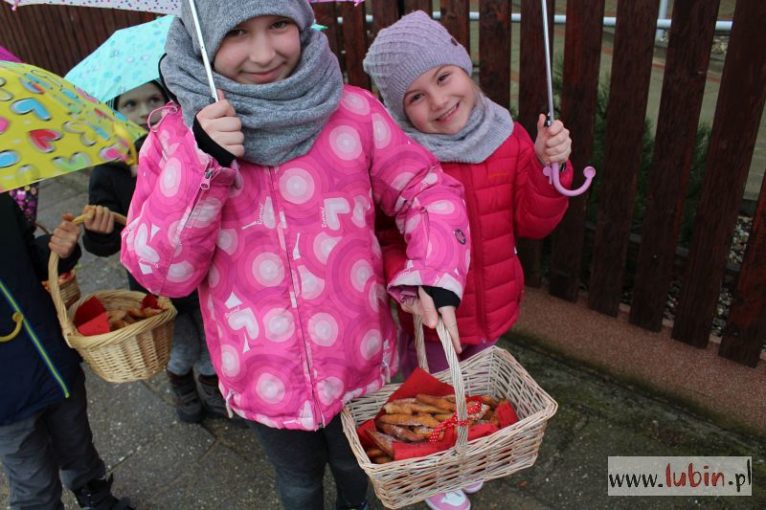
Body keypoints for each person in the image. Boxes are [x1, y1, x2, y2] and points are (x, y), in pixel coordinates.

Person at [119, 2, 471, 509]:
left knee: (358, 468)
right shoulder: (175, 141)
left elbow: (424, 190)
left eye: (279, 24)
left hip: (359, 355)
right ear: (200, 39)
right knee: (299, 483)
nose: (265, 53)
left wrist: (436, 273)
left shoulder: (352, 112)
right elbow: (161, 274)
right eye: (237, 32)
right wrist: (202, 164)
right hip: (265, 376)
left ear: (302, 24)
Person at [363, 11, 573, 510]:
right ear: (399, 109)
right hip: (434, 311)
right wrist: (411, 285)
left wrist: (548, 169)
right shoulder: (400, 158)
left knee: (473, 386)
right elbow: (386, 237)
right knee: (431, 393)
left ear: (464, 66)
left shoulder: (510, 136)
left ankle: (463, 452)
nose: (438, 101)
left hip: (495, 301)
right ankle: (435, 472)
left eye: (443, 77)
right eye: (415, 96)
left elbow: (532, 222)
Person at [82, 80, 226, 424]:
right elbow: (104, 243)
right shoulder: (108, 173)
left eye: (153, 99)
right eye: (129, 105)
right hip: (153, 286)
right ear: (113, 113)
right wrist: (98, 231)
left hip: (199, 272)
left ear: (168, 103)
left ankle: (210, 388)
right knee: (181, 346)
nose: (144, 110)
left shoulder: (187, 152)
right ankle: (182, 386)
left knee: (210, 341)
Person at [0, 193, 133, 510]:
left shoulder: (3, 202)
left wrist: (59, 249)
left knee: (77, 444)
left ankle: (93, 492)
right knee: (34, 487)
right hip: (7, 398)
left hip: (52, 358)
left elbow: (31, 259)